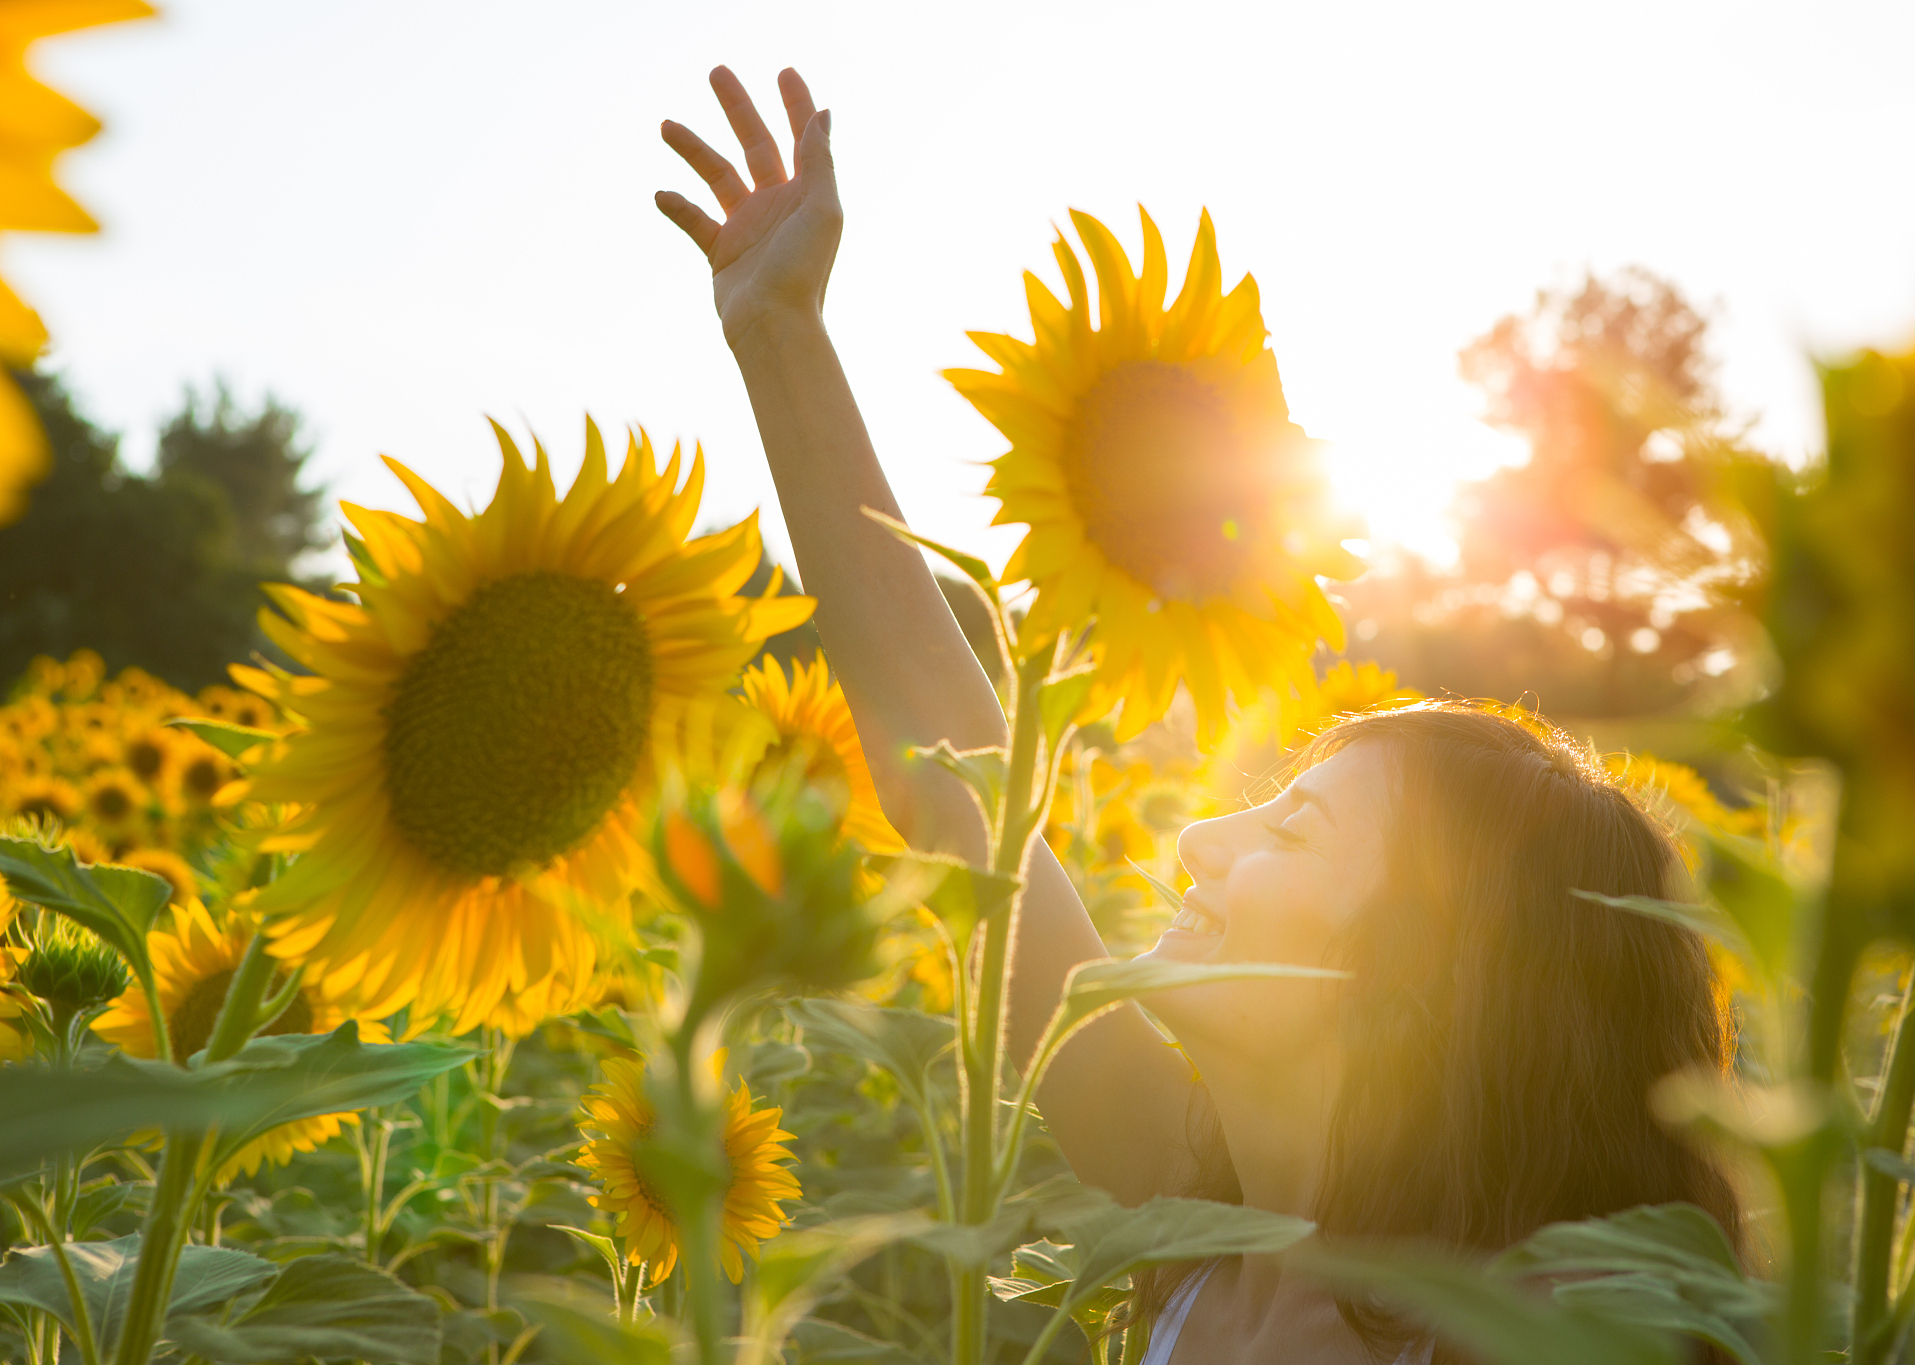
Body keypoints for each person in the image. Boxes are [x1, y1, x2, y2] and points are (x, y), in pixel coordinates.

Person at [654, 66, 1742, 1364]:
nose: (1197, 843)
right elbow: (953, 781)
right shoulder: (1193, 1207)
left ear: (1428, 979)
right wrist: (779, 332)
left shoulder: (1535, 1323)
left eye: (1287, 838)